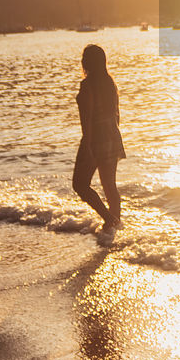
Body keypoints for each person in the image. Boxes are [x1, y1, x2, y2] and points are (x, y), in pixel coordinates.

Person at [73, 44, 125, 238]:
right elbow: (117, 115)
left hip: (95, 138)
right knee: (109, 184)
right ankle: (114, 229)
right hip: (112, 135)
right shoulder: (110, 83)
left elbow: (86, 118)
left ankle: (109, 220)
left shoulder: (87, 86)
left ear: (87, 62)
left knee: (79, 184)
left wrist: (88, 145)